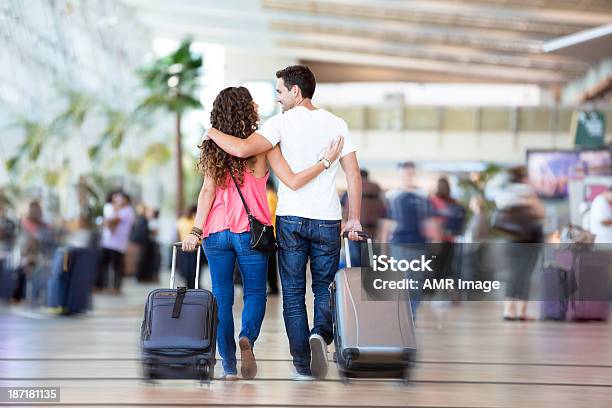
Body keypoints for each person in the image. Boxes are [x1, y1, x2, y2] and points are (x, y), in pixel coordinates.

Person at [206, 66, 363, 380]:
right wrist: (354, 218)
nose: (277, 99)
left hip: (289, 219)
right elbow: (354, 175)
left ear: (296, 91)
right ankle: (320, 332)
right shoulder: (337, 124)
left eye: (280, 91)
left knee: (292, 294)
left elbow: (240, 149)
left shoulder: (278, 124)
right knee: (323, 287)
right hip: (328, 219)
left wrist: (210, 131)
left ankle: (302, 366)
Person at [379, 162, 436, 317]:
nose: (408, 176)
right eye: (405, 173)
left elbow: (429, 221)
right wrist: (384, 250)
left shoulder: (423, 196)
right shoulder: (392, 196)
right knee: (401, 279)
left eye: (410, 173)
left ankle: (411, 314)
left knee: (416, 281)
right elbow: (386, 224)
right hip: (399, 243)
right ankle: (403, 315)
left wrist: (435, 244)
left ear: (414, 174)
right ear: (400, 174)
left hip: (419, 244)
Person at [494, 166, 545, 321]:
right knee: (525, 275)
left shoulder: (504, 194)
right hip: (530, 239)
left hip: (513, 238)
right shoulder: (528, 192)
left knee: (513, 274)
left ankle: (508, 311)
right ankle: (521, 312)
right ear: (524, 178)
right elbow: (541, 213)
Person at [340, 169, 386, 267]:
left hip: (352, 230)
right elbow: (383, 210)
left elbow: (342, 207)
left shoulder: (350, 189)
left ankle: (355, 279)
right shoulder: (376, 188)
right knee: (369, 260)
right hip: (371, 231)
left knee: (353, 260)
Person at [95, 191, 135, 294]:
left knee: (117, 266)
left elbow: (112, 221)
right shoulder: (111, 208)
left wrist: (115, 210)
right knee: (102, 264)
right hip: (107, 242)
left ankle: (116, 287)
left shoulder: (127, 211)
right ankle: (101, 285)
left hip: (118, 244)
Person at [266, 178, 279, 295]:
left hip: (271, 233)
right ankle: (273, 286)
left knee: (270, 263)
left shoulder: (269, 195)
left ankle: (273, 287)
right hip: (274, 232)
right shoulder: (274, 195)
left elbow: (268, 212)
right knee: (271, 262)